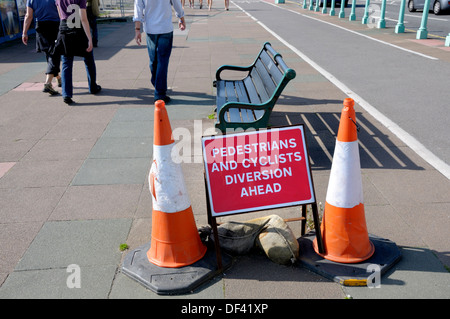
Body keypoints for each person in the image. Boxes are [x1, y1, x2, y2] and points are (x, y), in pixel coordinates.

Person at [133, 0, 185, 104]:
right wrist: (181, 18)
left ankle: (158, 88)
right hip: (165, 27)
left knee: (154, 61)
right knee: (162, 61)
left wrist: (137, 29)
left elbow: (138, 7)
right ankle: (159, 90)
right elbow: (176, 3)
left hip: (150, 29)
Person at [53, 0, 101, 105]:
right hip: (79, 31)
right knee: (89, 59)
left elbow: (61, 16)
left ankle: (66, 94)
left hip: (65, 30)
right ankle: (93, 86)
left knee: (66, 63)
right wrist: (90, 38)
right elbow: (83, 19)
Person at [22, 0, 62, 96]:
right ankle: (48, 83)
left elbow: (29, 15)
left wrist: (24, 33)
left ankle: (58, 78)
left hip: (41, 26)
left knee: (49, 54)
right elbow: (61, 12)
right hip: (55, 26)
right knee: (54, 54)